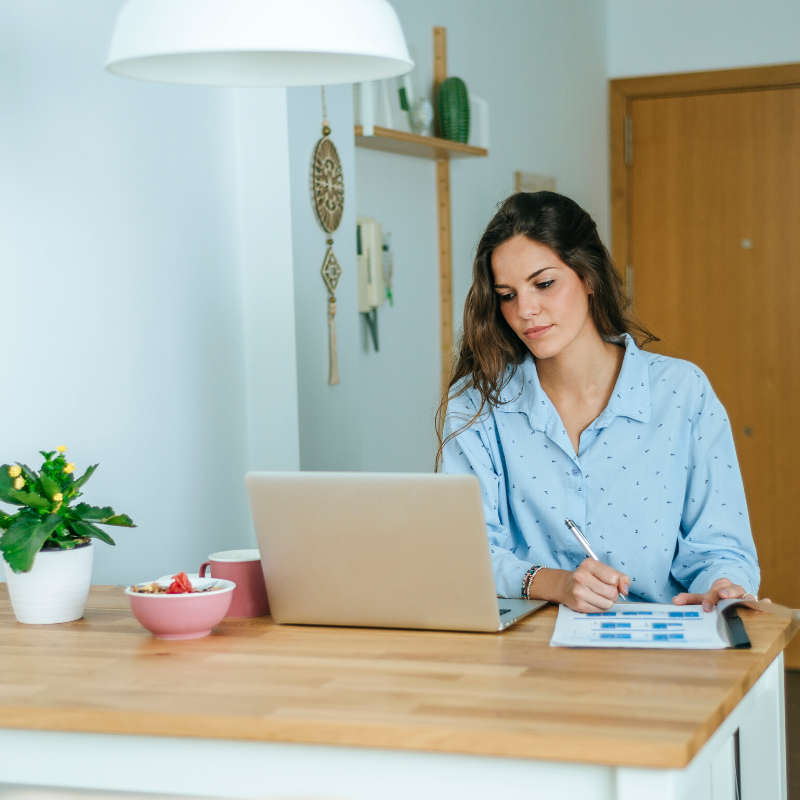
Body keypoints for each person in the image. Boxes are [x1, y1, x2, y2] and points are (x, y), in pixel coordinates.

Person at [437, 191, 760, 614]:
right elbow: (466, 551)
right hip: (524, 650)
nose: (526, 310)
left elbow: (721, 545)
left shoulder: (682, 393)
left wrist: (722, 586)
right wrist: (556, 583)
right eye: (507, 294)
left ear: (588, 276)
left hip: (662, 645)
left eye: (544, 283)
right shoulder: (477, 404)